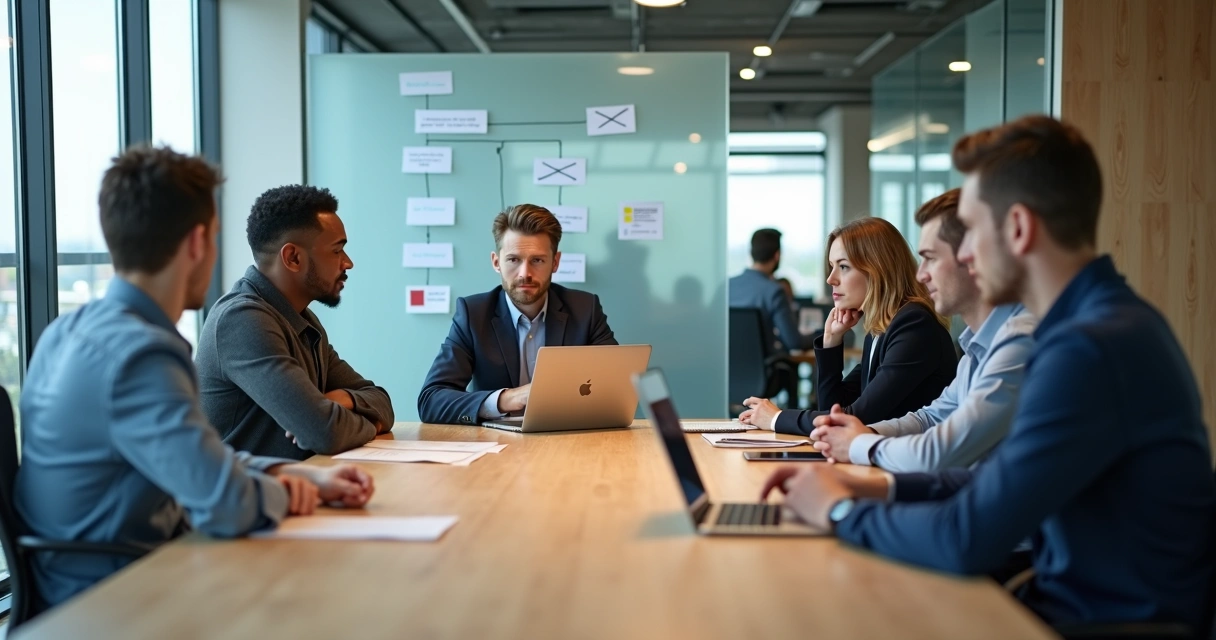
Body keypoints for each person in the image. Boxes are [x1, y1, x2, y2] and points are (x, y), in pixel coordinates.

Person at [760, 115, 1215, 630]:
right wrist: (878, 490)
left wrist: (839, 512)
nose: (964, 254)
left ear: (1018, 228)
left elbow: (967, 536)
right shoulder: (1098, 325)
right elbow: (988, 481)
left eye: (971, 231)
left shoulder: (1086, 349)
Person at [14, 147, 374, 610]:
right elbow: (226, 502)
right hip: (120, 597)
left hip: (85, 584)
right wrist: (284, 489)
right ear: (197, 243)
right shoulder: (143, 355)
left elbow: (202, 460)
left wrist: (291, 472)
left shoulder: (65, 331)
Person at [810, 189, 1037, 472]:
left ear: (974, 257)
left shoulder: (1020, 340)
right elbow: (929, 418)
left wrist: (857, 443)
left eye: (931, 258)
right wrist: (861, 435)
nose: (920, 274)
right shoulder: (976, 348)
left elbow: (940, 452)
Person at [196, 185, 394, 460]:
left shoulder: (303, 320)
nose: (348, 263)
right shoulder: (242, 320)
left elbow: (381, 401)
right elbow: (324, 433)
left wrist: (344, 399)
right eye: (337, 251)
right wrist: (371, 424)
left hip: (297, 489)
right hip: (247, 499)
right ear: (293, 258)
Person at [740, 217, 958, 436]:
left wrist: (777, 418)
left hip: (909, 464)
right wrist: (831, 341)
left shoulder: (913, 326)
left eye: (843, 267)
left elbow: (856, 419)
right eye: (832, 267)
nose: (831, 279)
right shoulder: (880, 330)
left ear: (878, 270)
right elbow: (833, 409)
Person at [418, 204, 617, 425]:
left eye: (537, 260)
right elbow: (431, 401)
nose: (525, 273)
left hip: (568, 438)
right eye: (514, 260)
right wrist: (506, 399)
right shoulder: (473, 314)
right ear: (496, 262)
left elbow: (616, 389)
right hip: (496, 447)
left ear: (555, 262)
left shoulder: (585, 309)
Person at [729, 229, 813, 352]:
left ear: (751, 253)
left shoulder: (725, 287)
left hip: (726, 370)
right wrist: (824, 334)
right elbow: (794, 342)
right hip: (764, 369)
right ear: (777, 255)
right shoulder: (774, 292)